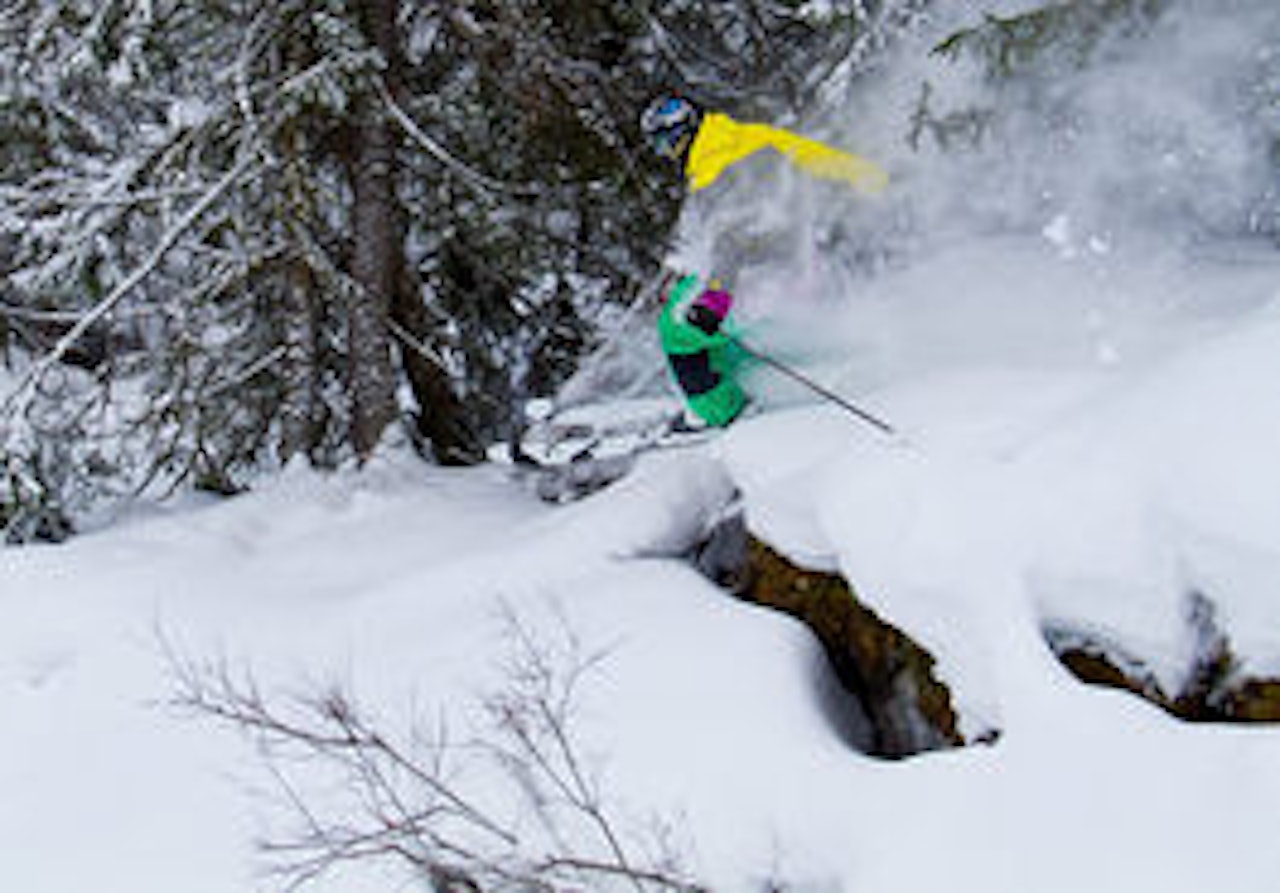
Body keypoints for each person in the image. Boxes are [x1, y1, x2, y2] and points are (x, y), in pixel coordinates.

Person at [639, 95, 889, 195]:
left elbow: (809, 154)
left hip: (811, 213)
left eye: (662, 143)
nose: (665, 153)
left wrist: (864, 174)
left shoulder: (724, 149)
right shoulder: (705, 163)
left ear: (679, 131)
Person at [657, 273, 747, 429]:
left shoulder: (684, 316)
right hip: (716, 402)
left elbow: (710, 291)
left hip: (712, 398)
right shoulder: (674, 323)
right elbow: (681, 303)